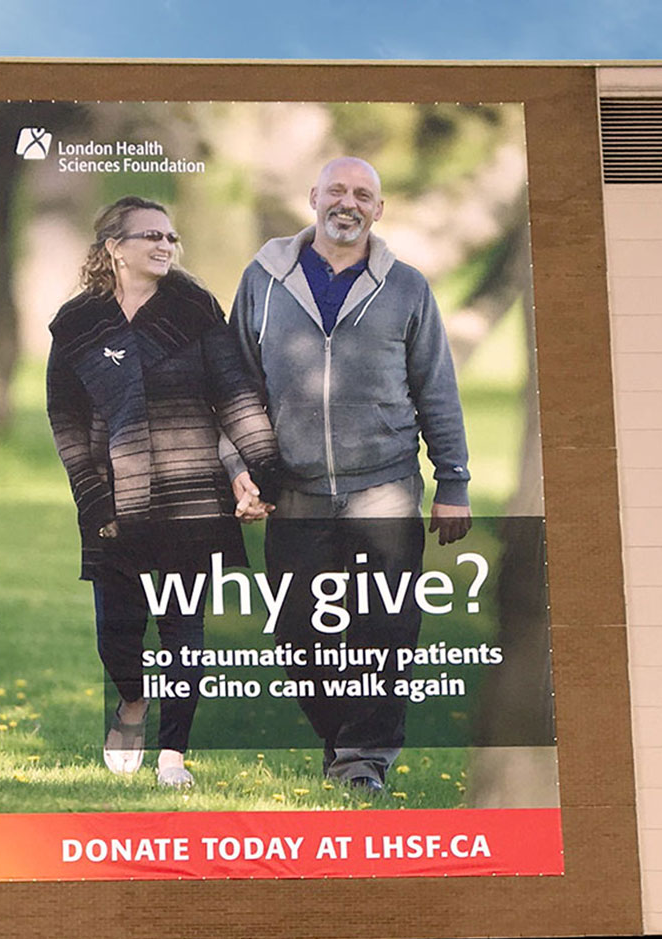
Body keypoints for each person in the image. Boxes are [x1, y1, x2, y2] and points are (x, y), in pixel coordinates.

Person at [228, 157, 471, 792]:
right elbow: (237, 386)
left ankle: (363, 763)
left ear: (378, 210)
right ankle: (341, 744)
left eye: (363, 194)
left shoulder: (409, 288)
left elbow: (437, 389)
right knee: (298, 634)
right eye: (337, 190)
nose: (349, 203)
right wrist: (239, 468)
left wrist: (454, 482)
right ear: (312, 198)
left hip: (384, 485)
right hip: (294, 489)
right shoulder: (264, 280)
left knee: (383, 633)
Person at [47, 196, 280, 788]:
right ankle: (130, 703)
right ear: (114, 249)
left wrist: (263, 465)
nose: (165, 246)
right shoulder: (77, 325)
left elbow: (234, 393)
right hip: (113, 498)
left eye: (171, 238)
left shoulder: (194, 309)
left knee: (183, 630)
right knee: (118, 635)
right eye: (151, 235)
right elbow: (65, 417)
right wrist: (91, 494)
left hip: (190, 492)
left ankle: (173, 753)